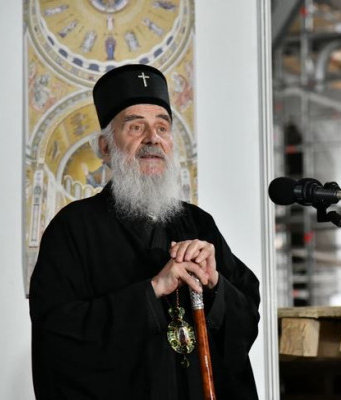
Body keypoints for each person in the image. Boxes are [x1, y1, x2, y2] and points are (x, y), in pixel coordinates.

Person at [29, 64, 260, 400]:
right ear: (106, 148)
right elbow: (57, 334)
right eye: (136, 127)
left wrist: (215, 285)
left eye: (162, 128)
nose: (153, 139)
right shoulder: (73, 228)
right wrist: (151, 292)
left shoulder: (198, 223)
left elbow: (248, 317)